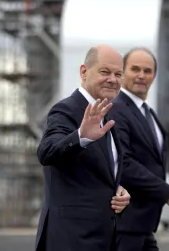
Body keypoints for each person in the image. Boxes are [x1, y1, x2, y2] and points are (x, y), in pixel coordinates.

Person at [35, 45, 131, 251]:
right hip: (71, 239)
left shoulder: (107, 117)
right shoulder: (65, 109)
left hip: (103, 238)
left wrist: (118, 189)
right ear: (84, 72)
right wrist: (81, 136)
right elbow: (46, 152)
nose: (113, 79)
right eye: (105, 72)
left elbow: (97, 175)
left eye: (118, 74)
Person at [112, 47, 169, 251]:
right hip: (125, 222)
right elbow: (124, 163)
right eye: (135, 69)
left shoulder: (149, 114)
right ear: (122, 72)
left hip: (143, 223)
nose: (141, 75)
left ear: (154, 75)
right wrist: (166, 192)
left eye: (147, 71)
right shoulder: (116, 109)